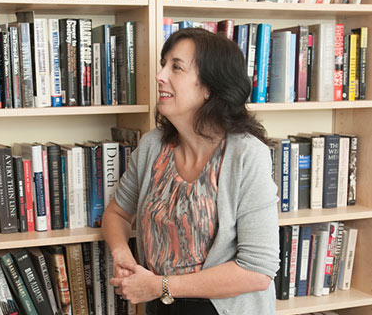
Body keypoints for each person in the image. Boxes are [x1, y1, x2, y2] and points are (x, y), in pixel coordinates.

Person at [102, 27, 280, 315]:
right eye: (164, 65)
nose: (160, 76)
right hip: (160, 307)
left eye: (176, 67)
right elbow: (118, 213)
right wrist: (121, 252)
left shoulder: (247, 155)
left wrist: (160, 286)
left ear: (209, 87)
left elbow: (258, 271)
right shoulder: (151, 146)